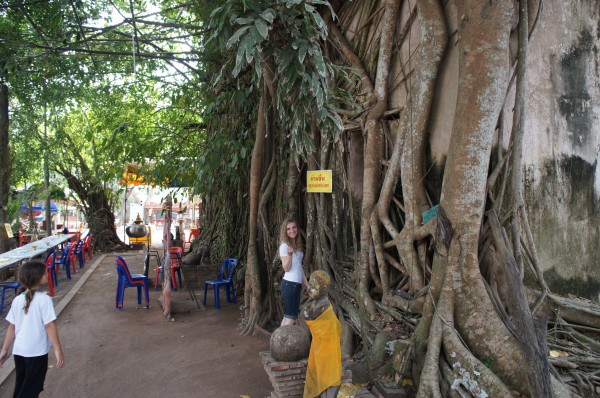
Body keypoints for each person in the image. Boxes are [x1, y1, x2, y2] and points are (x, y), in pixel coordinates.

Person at [0, 261, 65, 398]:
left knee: (22, 385)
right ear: (37, 277)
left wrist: (5, 350)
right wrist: (58, 350)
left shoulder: (17, 300)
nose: (47, 275)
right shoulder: (44, 300)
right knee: (31, 389)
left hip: (19, 352)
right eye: (45, 273)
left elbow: (12, 326)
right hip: (36, 352)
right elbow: (50, 325)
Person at [302, 270, 342, 398]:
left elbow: (317, 325)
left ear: (324, 289)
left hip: (327, 346)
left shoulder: (323, 305)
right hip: (320, 344)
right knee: (322, 374)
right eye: (310, 285)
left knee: (328, 375)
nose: (310, 289)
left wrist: (307, 317)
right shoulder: (316, 303)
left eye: (314, 287)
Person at [278, 218, 308, 326]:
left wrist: (306, 284)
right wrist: (290, 256)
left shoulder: (296, 245)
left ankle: (278, 341)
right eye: (288, 229)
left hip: (295, 285)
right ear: (285, 231)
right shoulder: (284, 246)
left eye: (294, 227)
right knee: (290, 319)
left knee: (288, 317)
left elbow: (299, 267)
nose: (292, 231)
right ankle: (280, 342)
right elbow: (286, 268)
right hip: (290, 284)